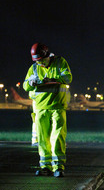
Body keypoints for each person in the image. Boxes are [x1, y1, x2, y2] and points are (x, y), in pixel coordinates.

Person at [23, 43, 72, 177]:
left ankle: (59, 167)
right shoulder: (34, 68)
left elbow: (68, 78)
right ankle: (45, 166)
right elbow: (25, 85)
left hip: (57, 106)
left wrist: (52, 79)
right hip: (40, 108)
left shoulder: (60, 62)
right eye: (37, 61)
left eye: (42, 60)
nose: (40, 63)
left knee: (57, 138)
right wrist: (31, 83)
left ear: (47, 55)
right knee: (43, 139)